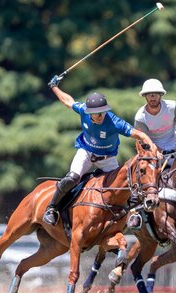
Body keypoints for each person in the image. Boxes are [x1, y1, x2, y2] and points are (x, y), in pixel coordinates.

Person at [42, 75, 157, 226]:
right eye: (97, 113)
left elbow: (140, 134)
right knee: (71, 178)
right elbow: (68, 101)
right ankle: (52, 208)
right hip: (86, 152)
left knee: (125, 186)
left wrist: (152, 146)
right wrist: (54, 87)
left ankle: (134, 215)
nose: (101, 115)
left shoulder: (114, 122)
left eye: (103, 112)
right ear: (89, 113)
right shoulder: (84, 110)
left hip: (107, 158)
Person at [128, 78, 176, 233]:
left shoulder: (173, 107)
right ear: (145, 97)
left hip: (175, 149)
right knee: (145, 180)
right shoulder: (140, 117)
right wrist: (158, 152)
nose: (152, 98)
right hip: (154, 152)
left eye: (155, 94)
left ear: (161, 95)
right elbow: (146, 140)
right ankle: (136, 213)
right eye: (149, 95)